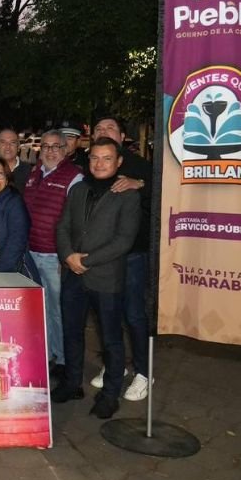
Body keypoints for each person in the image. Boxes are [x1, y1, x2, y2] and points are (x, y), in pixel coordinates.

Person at [52, 138, 140, 419]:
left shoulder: (128, 195)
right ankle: (72, 384)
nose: (99, 163)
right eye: (95, 158)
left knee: (111, 339)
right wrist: (68, 255)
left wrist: (84, 261)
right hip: (73, 275)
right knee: (71, 332)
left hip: (105, 278)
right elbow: (63, 226)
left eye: (106, 158)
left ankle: (110, 395)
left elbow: (124, 240)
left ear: (119, 162)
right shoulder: (78, 189)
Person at [88, 116, 153, 402]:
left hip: (132, 255)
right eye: (99, 129)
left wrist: (140, 183)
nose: (104, 132)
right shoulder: (91, 167)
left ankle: (144, 371)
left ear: (123, 135)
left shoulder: (140, 166)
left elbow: (161, 194)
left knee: (134, 314)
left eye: (110, 128)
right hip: (100, 257)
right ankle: (114, 364)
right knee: (106, 314)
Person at [24, 129, 83, 378]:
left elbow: (77, 222)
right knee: (41, 310)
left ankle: (65, 360)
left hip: (54, 257)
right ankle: (49, 356)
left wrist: (66, 255)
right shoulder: (34, 173)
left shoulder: (74, 176)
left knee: (59, 311)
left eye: (56, 146)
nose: (50, 151)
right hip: (31, 253)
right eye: (45, 146)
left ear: (65, 149)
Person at [0, 157, 37, 279]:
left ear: (7, 179)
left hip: (10, 270)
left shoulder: (14, 202)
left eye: (0, 174)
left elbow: (16, 242)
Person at [0, 127, 32, 194]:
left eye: (12, 142)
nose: (8, 146)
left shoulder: (30, 171)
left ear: (18, 147)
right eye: (3, 142)